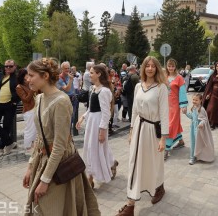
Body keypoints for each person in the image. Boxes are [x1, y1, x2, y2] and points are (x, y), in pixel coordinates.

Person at [22, 58, 100, 216]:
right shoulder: (40, 98)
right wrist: (31, 166)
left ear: (44, 76)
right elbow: (40, 137)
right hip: (43, 160)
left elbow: (59, 145)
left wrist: (45, 180)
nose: (27, 79)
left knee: (54, 207)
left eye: (31, 75)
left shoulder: (61, 102)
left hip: (61, 164)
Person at [116, 56, 169, 216]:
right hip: (139, 127)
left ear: (157, 68)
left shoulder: (161, 88)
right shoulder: (138, 86)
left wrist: (163, 138)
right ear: (143, 68)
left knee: (154, 162)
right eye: (147, 66)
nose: (150, 68)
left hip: (153, 129)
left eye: (153, 66)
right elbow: (134, 110)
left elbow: (164, 114)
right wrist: (131, 129)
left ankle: (159, 187)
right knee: (135, 162)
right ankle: (130, 204)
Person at [76, 64, 118, 188]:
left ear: (99, 74)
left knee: (94, 148)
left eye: (92, 72)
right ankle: (110, 164)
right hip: (92, 122)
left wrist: (102, 131)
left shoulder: (104, 91)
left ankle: (90, 176)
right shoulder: (93, 88)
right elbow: (91, 108)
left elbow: (106, 113)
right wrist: (83, 117)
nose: (90, 74)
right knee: (91, 148)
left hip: (98, 123)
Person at [164, 59, 187, 160]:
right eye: (169, 66)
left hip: (175, 106)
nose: (171, 68)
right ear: (167, 66)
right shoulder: (164, 77)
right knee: (173, 124)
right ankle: (181, 141)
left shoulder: (179, 78)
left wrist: (183, 105)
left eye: (172, 66)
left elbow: (182, 92)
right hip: (165, 105)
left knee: (170, 126)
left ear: (175, 67)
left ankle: (166, 148)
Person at [186, 93, 214, 165]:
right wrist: (186, 113)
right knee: (193, 142)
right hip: (193, 128)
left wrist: (201, 124)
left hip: (199, 129)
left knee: (198, 143)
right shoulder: (194, 108)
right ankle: (192, 157)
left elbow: (204, 119)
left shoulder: (201, 109)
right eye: (193, 100)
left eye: (196, 100)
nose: (194, 101)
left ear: (200, 100)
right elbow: (192, 117)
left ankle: (199, 156)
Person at [16, 68, 36, 150]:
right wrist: (32, 89)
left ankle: (34, 145)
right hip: (29, 110)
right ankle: (28, 146)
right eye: (28, 74)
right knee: (30, 128)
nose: (29, 76)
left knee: (36, 129)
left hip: (36, 108)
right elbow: (26, 99)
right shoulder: (19, 87)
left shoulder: (30, 83)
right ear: (23, 76)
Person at [57, 61, 79, 136]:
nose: (67, 70)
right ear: (62, 69)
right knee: (66, 120)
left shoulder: (70, 75)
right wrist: (70, 79)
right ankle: (65, 136)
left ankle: (68, 136)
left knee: (72, 119)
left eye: (68, 68)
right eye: (65, 68)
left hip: (73, 99)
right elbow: (66, 89)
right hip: (65, 100)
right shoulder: (60, 78)